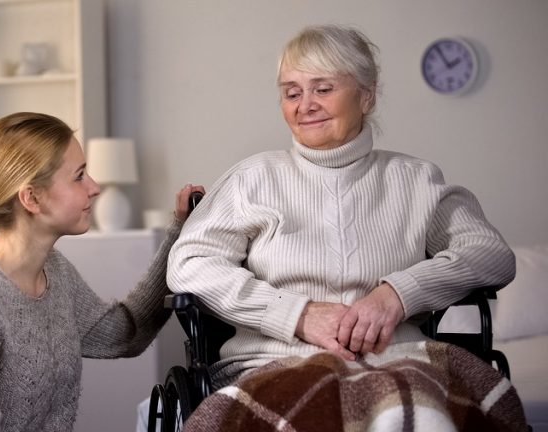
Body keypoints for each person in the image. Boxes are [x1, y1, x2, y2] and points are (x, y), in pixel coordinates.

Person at [167, 25, 527, 431]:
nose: (306, 105)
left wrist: (397, 294)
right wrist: (297, 315)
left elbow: (490, 252)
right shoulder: (252, 179)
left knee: (411, 403)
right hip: (274, 362)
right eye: (292, 92)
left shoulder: (415, 178)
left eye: (323, 89)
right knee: (325, 406)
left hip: (400, 358)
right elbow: (190, 262)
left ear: (366, 95)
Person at [0, 112, 204, 431]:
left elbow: (124, 335)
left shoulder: (54, 271)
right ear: (31, 198)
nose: (95, 187)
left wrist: (179, 235)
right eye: (79, 176)